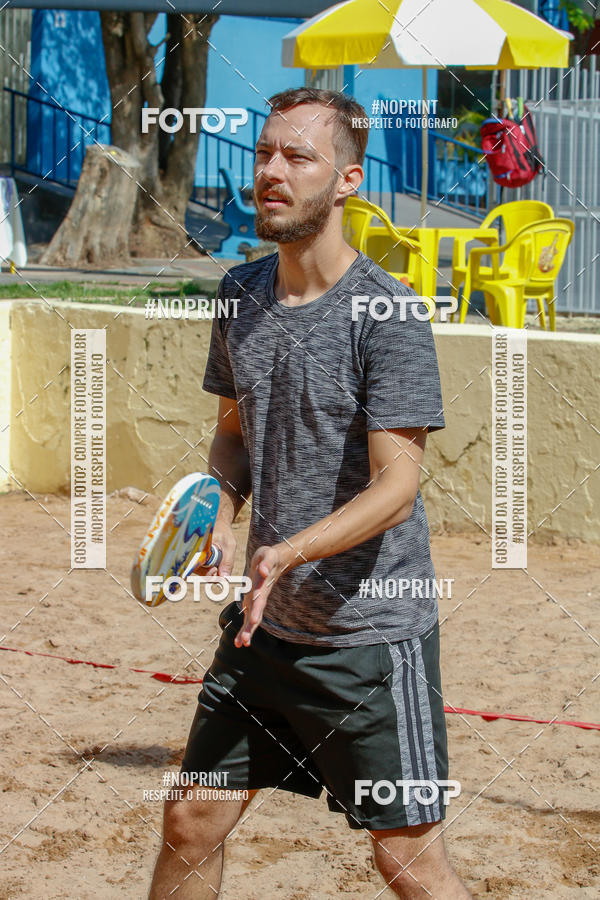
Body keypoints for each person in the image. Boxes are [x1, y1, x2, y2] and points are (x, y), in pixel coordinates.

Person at [149, 87, 471, 900]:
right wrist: (218, 508)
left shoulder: (386, 314)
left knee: (407, 862)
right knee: (190, 818)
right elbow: (234, 431)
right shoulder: (240, 293)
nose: (271, 172)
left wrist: (285, 551)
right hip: (265, 632)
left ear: (349, 180)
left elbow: (398, 484)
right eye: (264, 153)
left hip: (367, 640)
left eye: (298, 157)